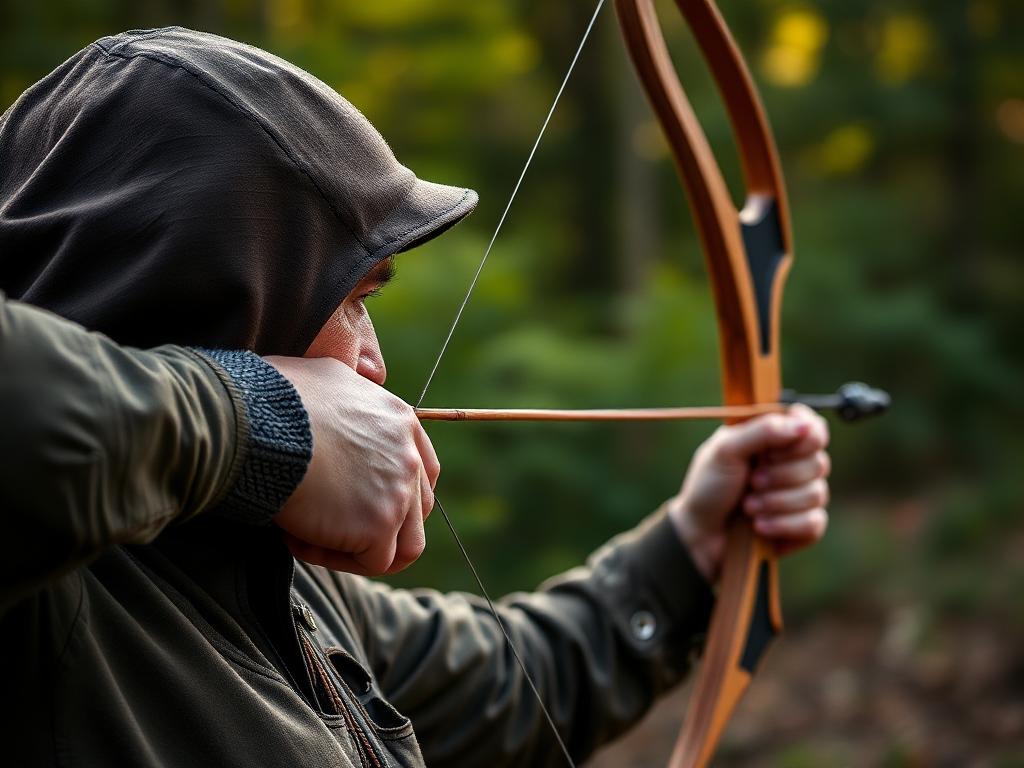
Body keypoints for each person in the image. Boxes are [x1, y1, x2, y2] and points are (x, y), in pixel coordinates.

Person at [0, 28, 831, 767]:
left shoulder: (260, 581)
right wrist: (269, 425)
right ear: (217, 300)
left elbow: (519, 685)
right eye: (353, 297)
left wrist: (693, 549)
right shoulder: (58, 604)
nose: (374, 364)